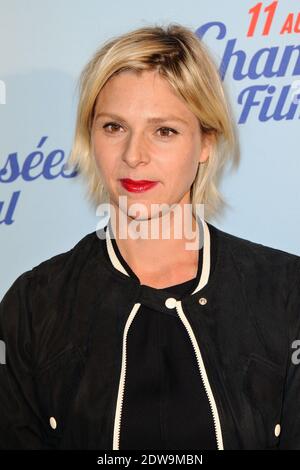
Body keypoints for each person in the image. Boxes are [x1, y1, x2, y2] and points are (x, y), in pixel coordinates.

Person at [0, 23, 299, 450]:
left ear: (206, 143)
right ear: (91, 136)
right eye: (114, 127)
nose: (133, 155)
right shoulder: (32, 307)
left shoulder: (286, 292)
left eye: (165, 131)